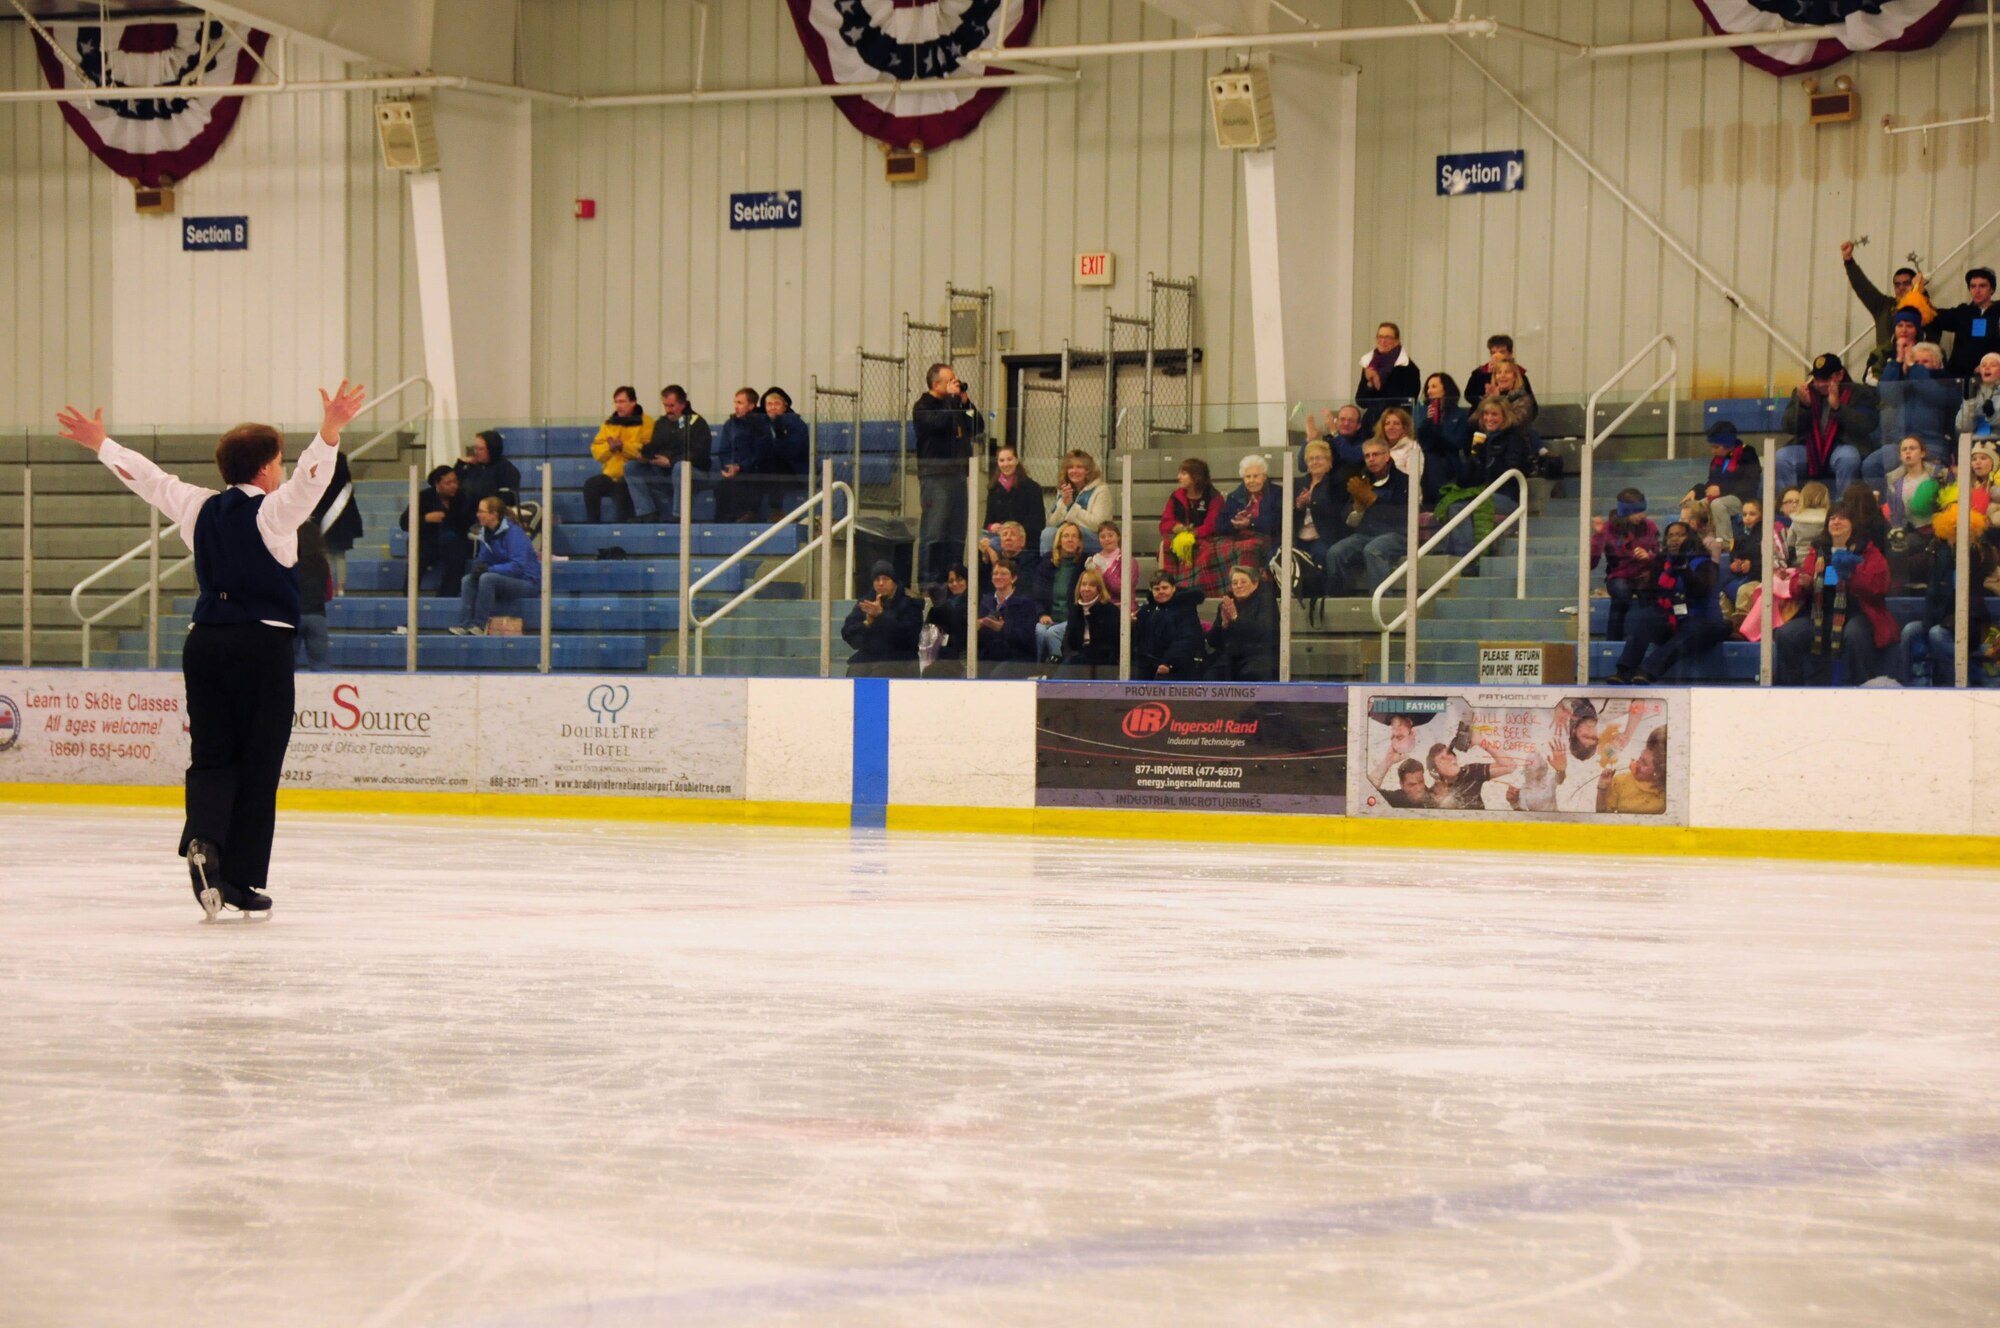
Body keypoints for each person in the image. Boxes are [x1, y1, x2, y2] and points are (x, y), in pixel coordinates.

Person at [55, 380, 368, 918]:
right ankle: (241, 878)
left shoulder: (199, 508)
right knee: (259, 760)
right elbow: (311, 483)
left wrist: (103, 444)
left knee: (213, 756)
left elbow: (149, 480)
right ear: (267, 468)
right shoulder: (273, 513)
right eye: (279, 461)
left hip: (204, 645)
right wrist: (330, 431)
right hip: (261, 643)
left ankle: (204, 840)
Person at [1774, 486, 1896, 685]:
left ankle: (1863, 686)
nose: (1836, 522)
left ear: (1853, 524)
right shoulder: (1818, 551)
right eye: (1832, 518)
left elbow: (1879, 587)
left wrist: (1853, 575)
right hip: (1821, 615)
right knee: (1786, 635)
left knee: (1854, 635)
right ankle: (1791, 691)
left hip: (1858, 614)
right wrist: (1802, 584)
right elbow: (1797, 585)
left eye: (1842, 518)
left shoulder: (1868, 551)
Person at [1605, 521, 1729, 685]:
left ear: (1690, 537)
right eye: (1670, 536)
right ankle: (1624, 670)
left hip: (1706, 622)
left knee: (1690, 630)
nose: (1674, 539)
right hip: (1675, 619)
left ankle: (1647, 671)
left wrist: (1684, 570)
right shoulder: (1661, 561)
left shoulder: (1704, 562)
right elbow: (1651, 594)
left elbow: (1700, 591)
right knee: (1647, 620)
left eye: (1680, 535)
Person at [913, 363, 984, 589]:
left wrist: (965, 402)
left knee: (956, 532)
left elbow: (976, 426)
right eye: (950, 380)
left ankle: (953, 580)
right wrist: (953, 402)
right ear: (936, 384)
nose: (955, 383)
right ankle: (928, 582)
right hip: (936, 476)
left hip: (959, 475)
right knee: (934, 531)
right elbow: (939, 424)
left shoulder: (955, 405)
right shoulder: (923, 406)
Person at [1776, 353, 1877, 498]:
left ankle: (1843, 506)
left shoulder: (1859, 393)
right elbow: (1787, 426)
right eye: (1817, 379)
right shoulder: (1804, 392)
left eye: (1825, 379)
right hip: (1810, 449)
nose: (1819, 384)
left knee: (1849, 458)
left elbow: (1866, 425)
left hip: (1841, 447)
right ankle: (1788, 505)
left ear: (1840, 375)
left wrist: (1838, 408)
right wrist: (1804, 407)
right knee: (1782, 458)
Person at [1442, 396, 1532, 555]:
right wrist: (1475, 459)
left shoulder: (1514, 438)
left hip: (1507, 497)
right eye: (1486, 414)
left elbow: (1511, 472)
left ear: (1504, 416)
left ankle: (1466, 557)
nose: (1489, 418)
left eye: (1494, 414)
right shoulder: (1480, 440)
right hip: (1483, 494)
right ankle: (1456, 556)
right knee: (1450, 503)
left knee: (1458, 508)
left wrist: (1487, 459)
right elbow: (1465, 481)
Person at [1867, 332, 1956, 486]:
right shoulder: (1905, 382)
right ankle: (1883, 507)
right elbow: (1886, 394)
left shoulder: (1946, 383)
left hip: (1931, 444)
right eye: (1916, 361)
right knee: (1871, 465)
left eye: (1925, 361)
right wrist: (1898, 361)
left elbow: (1935, 395)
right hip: (1900, 443)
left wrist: (1914, 368)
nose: (1919, 364)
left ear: (1936, 364)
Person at [1326, 437, 1409, 597]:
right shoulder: (1362, 480)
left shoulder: (1403, 480)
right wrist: (1357, 509)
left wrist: (1373, 501)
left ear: (1387, 456)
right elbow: (1347, 518)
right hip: (1366, 535)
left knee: (1373, 550)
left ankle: (1382, 601)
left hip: (1398, 534)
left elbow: (1401, 515)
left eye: (1375, 454)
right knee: (1335, 552)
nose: (1371, 459)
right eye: (1367, 456)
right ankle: (1336, 600)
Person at [450, 496, 541, 636]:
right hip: (501, 578)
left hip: (526, 581)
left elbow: (518, 567)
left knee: (487, 578)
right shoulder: (485, 533)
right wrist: (478, 567)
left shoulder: (514, 533)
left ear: (494, 514)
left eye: (481, 511)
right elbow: (483, 559)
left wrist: (489, 569)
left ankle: (479, 625)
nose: (477, 514)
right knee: (468, 580)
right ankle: (464, 624)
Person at [1840, 240, 1921, 381]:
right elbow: (1863, 287)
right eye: (1897, 284)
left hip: (1917, 367)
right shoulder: (1883, 306)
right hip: (1885, 368)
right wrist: (1849, 261)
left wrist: (1919, 293)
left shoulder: (1925, 309)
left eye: (1906, 283)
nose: (1901, 288)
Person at [631, 384, 711, 521]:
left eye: (671, 406)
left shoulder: (698, 423)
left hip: (694, 473)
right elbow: (654, 446)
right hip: (664, 472)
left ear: (683, 404)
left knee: (681, 467)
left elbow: (700, 454)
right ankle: (646, 512)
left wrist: (672, 462)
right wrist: (644, 455)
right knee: (631, 468)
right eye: (665, 406)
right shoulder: (661, 424)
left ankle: (679, 515)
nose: (668, 410)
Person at [1590, 488, 1660, 642]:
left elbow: (1660, 556)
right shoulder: (1607, 529)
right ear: (1625, 512)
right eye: (1637, 512)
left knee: (1655, 593)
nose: (1642, 515)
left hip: (1645, 574)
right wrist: (1598, 536)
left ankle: (1654, 638)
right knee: (1621, 593)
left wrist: (1649, 557)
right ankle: (1614, 641)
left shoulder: (1650, 526)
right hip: (1619, 576)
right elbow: (1590, 564)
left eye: (1643, 510)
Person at [841, 560, 923, 677]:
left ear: (894, 581)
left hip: (899, 660)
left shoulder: (911, 603)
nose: (880, 583)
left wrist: (881, 616)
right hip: (867, 659)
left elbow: (910, 636)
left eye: (885, 579)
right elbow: (848, 633)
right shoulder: (866, 602)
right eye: (877, 579)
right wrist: (867, 623)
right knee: (854, 676)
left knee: (879, 676)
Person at [1158, 457, 1226, 594]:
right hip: (1181, 538)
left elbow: (1212, 526)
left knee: (1204, 550)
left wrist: (1192, 533)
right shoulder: (1176, 496)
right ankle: (1163, 585)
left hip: (1206, 539)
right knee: (1164, 545)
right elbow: (1164, 524)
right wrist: (1175, 527)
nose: (1178, 477)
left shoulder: (1214, 497)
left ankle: (1197, 590)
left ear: (1196, 476)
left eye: (1183, 473)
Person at [404, 464, 472, 597]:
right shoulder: (424, 497)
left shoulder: (461, 497)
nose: (454, 486)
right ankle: (409, 598)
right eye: (448, 483)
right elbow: (404, 522)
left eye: (455, 481)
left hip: (452, 542)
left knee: (458, 556)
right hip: (427, 540)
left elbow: (467, 522)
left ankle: (446, 597)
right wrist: (425, 519)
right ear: (437, 484)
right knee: (418, 554)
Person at [1203, 564, 1279, 680]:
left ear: (1255, 584)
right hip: (1231, 658)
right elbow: (1213, 642)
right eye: (1235, 583)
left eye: (1243, 582)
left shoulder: (1266, 601)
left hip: (1259, 657)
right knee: (1211, 676)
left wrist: (1236, 617)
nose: (1239, 586)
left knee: (1250, 675)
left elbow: (1264, 631)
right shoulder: (1226, 605)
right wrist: (1224, 625)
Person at [1686, 422, 1761, 538]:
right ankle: (1701, 542)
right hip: (1723, 495)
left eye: (1716, 447)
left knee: (1718, 504)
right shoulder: (1717, 460)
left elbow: (1750, 483)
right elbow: (1711, 483)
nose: (1713, 451)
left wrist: (1722, 490)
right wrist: (1696, 490)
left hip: (1742, 498)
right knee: (1695, 506)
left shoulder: (1748, 454)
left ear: (1728, 444)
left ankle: (1725, 543)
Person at [584, 386, 646, 523]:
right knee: (591, 485)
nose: (619, 406)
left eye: (622, 401)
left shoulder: (646, 423)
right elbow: (596, 451)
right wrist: (610, 449)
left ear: (633, 402)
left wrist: (623, 447)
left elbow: (645, 451)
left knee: (622, 493)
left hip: (631, 478)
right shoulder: (608, 424)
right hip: (611, 476)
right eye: (616, 402)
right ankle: (592, 525)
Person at [713, 387, 776, 522]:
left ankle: (749, 515)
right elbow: (724, 450)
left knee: (749, 483)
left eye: (740, 403)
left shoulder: (761, 425)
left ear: (751, 406)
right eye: (735, 402)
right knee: (721, 487)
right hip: (734, 471)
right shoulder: (730, 425)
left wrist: (741, 467)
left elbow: (761, 453)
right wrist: (728, 467)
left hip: (754, 471)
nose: (736, 406)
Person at [1213, 454, 1282, 573]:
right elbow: (1220, 526)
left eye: (1256, 476)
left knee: (1246, 548)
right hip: (1238, 539)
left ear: (1264, 476)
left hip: (1268, 539)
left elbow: (1278, 522)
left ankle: (1246, 586)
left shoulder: (1277, 493)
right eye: (1247, 477)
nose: (1251, 481)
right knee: (1211, 549)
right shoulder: (1234, 496)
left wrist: (1251, 523)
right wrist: (1234, 524)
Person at [1029, 522, 1089, 660]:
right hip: (1049, 618)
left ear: (1079, 541)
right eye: (1066, 536)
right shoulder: (1047, 562)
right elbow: (1037, 594)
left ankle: (1059, 668)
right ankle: (1037, 667)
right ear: (1059, 540)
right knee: (1039, 630)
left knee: (1052, 633)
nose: (1070, 539)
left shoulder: (1085, 563)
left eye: (1074, 536)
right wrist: (1042, 614)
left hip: (1073, 619)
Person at [308, 447, 362, 595]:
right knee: (340, 556)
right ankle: (341, 588)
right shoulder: (346, 486)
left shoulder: (321, 485)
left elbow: (316, 507)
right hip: (343, 527)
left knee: (327, 557)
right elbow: (352, 510)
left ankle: (329, 588)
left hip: (324, 525)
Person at [1133, 571, 1204, 680]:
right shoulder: (1146, 610)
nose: (1161, 591)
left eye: (1165, 588)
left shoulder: (1185, 609)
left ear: (1173, 588)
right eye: (1156, 589)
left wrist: (1168, 663)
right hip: (1148, 666)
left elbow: (1186, 640)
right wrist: (1132, 625)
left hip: (1178, 668)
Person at [976, 557, 1042, 674]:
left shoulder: (1026, 603)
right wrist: (979, 627)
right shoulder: (986, 602)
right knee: (967, 675)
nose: (998, 577)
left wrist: (1002, 628)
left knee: (997, 676)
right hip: (990, 656)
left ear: (1014, 578)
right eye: (995, 573)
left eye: (1003, 574)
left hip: (1018, 658)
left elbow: (1026, 637)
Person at [1932, 265, 2000, 377]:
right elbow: (1933, 315)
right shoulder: (1962, 312)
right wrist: (1919, 291)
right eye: (1973, 286)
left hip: (1992, 376)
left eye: (1982, 286)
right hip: (1959, 377)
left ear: (1991, 289)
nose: (1977, 291)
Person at [1291, 439, 1341, 592]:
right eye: (1311, 459)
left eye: (1319, 458)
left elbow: (1336, 514)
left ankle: (1321, 597)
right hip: (1298, 536)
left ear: (1329, 462)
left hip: (1323, 536)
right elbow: (1285, 512)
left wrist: (1312, 502)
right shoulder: (1298, 483)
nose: (1315, 462)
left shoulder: (1335, 484)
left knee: (1320, 554)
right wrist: (1298, 505)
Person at [1355, 321, 1421, 433]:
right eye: (1380, 337)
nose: (1383, 341)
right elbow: (1361, 401)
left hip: (1396, 425)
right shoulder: (1369, 365)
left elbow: (1408, 401)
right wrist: (1370, 384)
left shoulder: (1408, 367)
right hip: (1372, 424)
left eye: (1387, 337)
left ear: (1397, 341)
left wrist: (1378, 383)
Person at [1056, 567, 1121, 675]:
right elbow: (1067, 641)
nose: (1086, 589)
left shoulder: (1110, 610)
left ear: (1099, 589)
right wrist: (1071, 655)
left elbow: (1111, 643)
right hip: (1077, 659)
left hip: (1102, 662)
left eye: (1091, 585)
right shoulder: (1076, 609)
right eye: (1084, 584)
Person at [1045, 449, 1112, 554]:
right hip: (1069, 535)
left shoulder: (1101, 489)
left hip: (1092, 537)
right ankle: (1048, 567)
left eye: (1079, 467)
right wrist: (1063, 504)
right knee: (1048, 534)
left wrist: (1072, 506)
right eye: (1070, 467)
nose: (1074, 471)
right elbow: (1052, 523)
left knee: (1071, 536)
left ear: (1088, 470)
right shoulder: (1064, 489)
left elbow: (1098, 525)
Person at [983, 444, 1045, 556]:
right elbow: (987, 522)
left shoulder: (1032, 487)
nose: (1006, 464)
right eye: (1002, 460)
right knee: (982, 541)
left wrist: (1013, 531)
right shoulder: (993, 489)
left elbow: (1038, 521)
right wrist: (991, 526)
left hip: (1024, 538)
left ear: (1016, 461)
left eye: (1009, 459)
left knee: (993, 544)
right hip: (998, 536)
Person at [1416, 372, 1471, 495]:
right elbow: (1422, 442)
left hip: (1449, 459)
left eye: (1434, 386)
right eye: (1428, 387)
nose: (1429, 391)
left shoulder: (1460, 414)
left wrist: (1437, 426)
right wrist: (1428, 422)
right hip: (1426, 458)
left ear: (1446, 390)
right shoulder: (1421, 411)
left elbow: (1457, 443)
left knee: (1433, 461)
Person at [1598, 727, 1669, 814]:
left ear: (1660, 773)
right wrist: (1602, 789)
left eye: (1645, 763)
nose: (1637, 763)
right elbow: (1603, 815)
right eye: (1640, 758)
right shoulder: (1620, 780)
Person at [294, 518, 333, 673]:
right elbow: (329, 594)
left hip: (293, 616)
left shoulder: (289, 560)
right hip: (317, 615)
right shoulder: (323, 563)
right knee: (321, 665)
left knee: (286, 664)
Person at [762, 386, 810, 512]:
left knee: (776, 466)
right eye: (769, 404)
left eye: (776, 404)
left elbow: (794, 450)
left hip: (794, 471)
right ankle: (746, 514)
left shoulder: (796, 424)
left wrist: (777, 441)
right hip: (765, 470)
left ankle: (777, 511)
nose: (772, 407)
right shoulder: (761, 425)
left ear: (785, 406)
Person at [922, 564, 970, 676]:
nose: (954, 584)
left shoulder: (975, 602)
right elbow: (928, 629)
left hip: (964, 656)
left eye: (959, 580)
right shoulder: (943, 605)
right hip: (943, 654)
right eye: (951, 581)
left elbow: (962, 630)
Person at [456, 429, 520, 513]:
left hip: (489, 515)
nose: (476, 452)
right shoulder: (470, 466)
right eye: (475, 448)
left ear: (492, 449)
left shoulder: (507, 470)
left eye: (481, 449)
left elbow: (505, 500)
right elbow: (455, 487)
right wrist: (459, 465)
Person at [1464, 333, 1531, 408]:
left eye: (1502, 352)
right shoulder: (1480, 373)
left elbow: (1530, 403)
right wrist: (1488, 375)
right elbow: (1469, 396)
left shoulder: (1519, 374)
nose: (1497, 355)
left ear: (1510, 354)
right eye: (1493, 352)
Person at [1301, 403, 1366, 472]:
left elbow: (1351, 456)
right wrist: (1310, 440)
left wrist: (1334, 433)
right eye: (1342, 419)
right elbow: (1302, 467)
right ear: (1336, 421)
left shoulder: (1365, 444)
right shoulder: (1328, 441)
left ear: (1358, 425)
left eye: (1351, 420)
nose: (1346, 423)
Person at [1956, 352, 2000, 439]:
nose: (1987, 367)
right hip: (1976, 442)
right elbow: (1962, 427)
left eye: (1993, 365)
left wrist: (1991, 415)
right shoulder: (1974, 390)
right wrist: (1970, 401)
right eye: (1983, 365)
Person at [1087, 520, 1129, 609]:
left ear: (1118, 537)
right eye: (1102, 536)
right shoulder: (1096, 559)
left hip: (1121, 608)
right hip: (1099, 607)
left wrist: (1105, 570)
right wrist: (1089, 575)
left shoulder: (1128, 560)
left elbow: (1123, 590)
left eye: (1110, 535)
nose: (1107, 539)